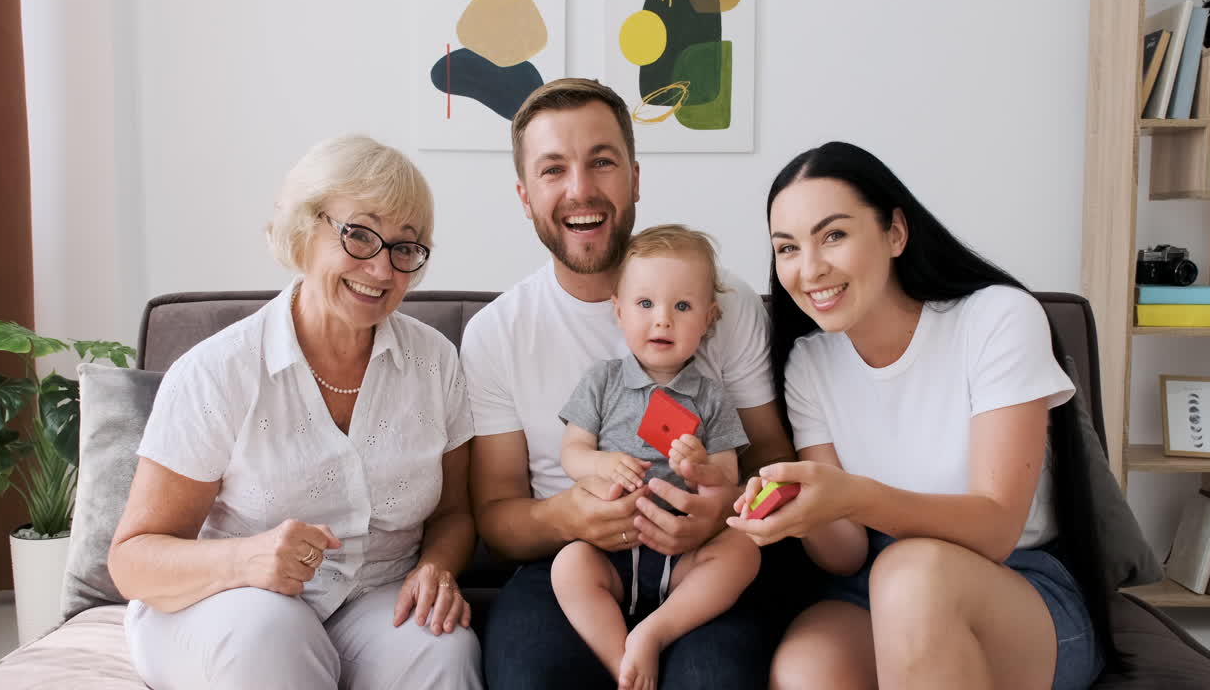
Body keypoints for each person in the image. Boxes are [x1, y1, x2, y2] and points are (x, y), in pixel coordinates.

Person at [726, 141, 1114, 690]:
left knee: (909, 576)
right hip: (874, 583)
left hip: (1015, 585)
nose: (809, 269)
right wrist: (801, 507)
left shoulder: (996, 319)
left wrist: (854, 495)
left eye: (833, 235)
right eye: (786, 248)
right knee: (805, 671)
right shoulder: (809, 363)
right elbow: (846, 555)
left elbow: (998, 529)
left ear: (895, 233)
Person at [108, 135, 483, 690]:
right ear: (306, 231)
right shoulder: (219, 371)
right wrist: (245, 561)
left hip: (372, 601)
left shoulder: (435, 363)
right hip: (226, 605)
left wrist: (436, 568)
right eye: (358, 234)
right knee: (270, 634)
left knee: (443, 650)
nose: (381, 269)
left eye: (404, 248)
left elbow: (454, 514)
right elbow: (132, 560)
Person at [461, 78, 795, 690]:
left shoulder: (724, 303)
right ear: (524, 194)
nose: (580, 189)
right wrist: (570, 514)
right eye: (553, 169)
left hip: (703, 554)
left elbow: (774, 458)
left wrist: (720, 508)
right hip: (571, 557)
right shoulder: (497, 334)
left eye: (602, 162)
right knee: (528, 675)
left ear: (635, 179)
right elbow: (496, 519)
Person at [551, 225, 761, 690]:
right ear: (619, 312)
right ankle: (621, 662)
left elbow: (728, 480)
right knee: (567, 565)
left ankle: (653, 632)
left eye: (682, 307)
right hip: (610, 552)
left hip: (684, 558)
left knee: (743, 553)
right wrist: (601, 464)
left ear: (709, 318)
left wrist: (699, 466)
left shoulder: (711, 397)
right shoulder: (602, 381)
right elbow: (572, 453)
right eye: (646, 305)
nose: (662, 320)